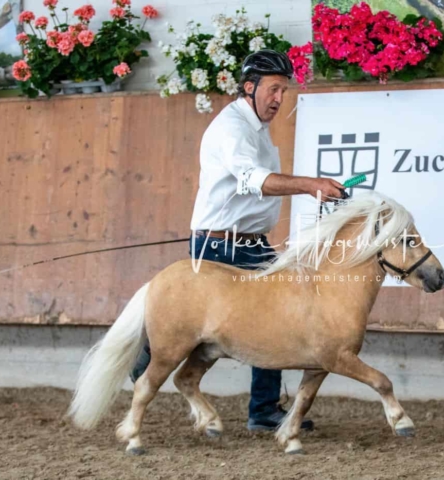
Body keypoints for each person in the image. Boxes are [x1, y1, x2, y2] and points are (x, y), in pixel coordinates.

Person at [130, 49, 345, 432]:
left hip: (248, 243)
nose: (280, 98)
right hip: (220, 245)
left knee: (275, 321)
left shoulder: (256, 128)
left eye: (284, 90)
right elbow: (253, 181)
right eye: (274, 89)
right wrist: (311, 185)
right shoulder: (232, 127)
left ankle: (263, 410)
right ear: (249, 87)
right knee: (208, 330)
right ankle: (149, 356)